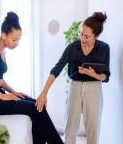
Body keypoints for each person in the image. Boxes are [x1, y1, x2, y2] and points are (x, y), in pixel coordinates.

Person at [0, 11, 64, 144]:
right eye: (14, 39)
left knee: (37, 104)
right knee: (35, 109)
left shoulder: (2, 51)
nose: (17, 43)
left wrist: (13, 92)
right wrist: (2, 96)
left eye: (19, 39)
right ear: (4, 35)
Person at [36, 12, 110, 144]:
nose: (82, 39)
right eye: (81, 34)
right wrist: (44, 93)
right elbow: (56, 69)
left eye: (87, 36)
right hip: (74, 87)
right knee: (70, 128)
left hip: (94, 89)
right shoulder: (72, 47)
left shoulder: (104, 48)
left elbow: (106, 75)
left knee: (93, 129)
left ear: (96, 36)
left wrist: (93, 74)